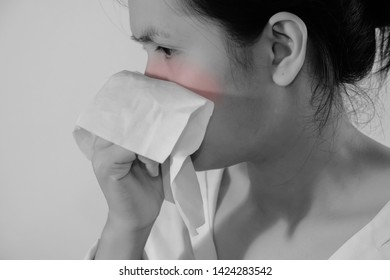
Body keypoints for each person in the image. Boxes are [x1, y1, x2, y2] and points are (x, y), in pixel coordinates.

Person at [86, 0, 390, 259]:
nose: (147, 82)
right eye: (147, 51)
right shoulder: (172, 205)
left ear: (281, 50)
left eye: (166, 49)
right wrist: (126, 230)